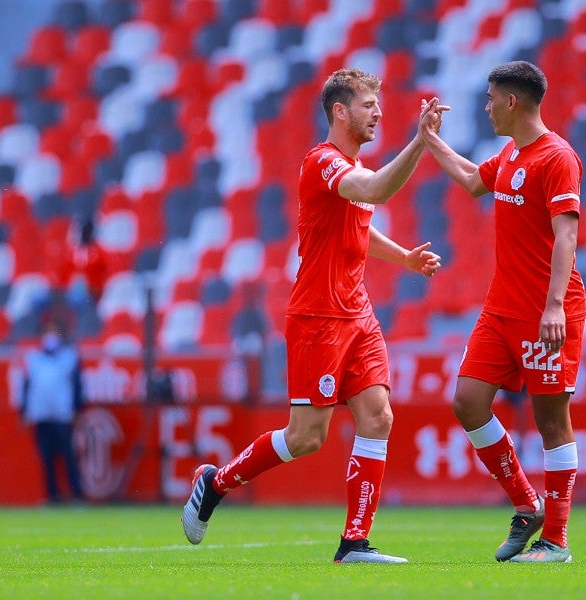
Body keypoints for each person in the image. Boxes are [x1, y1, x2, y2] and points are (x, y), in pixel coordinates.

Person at [182, 68, 443, 563]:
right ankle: (215, 483)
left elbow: (358, 229)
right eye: (368, 104)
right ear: (340, 111)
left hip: (358, 312)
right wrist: (420, 142)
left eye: (378, 104)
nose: (379, 112)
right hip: (318, 317)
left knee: (378, 415)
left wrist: (405, 257)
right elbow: (375, 193)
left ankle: (354, 543)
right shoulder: (323, 163)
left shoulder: (351, 167)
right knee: (307, 437)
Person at [418, 61, 584, 563]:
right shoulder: (512, 153)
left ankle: (555, 540)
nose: (486, 107)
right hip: (501, 308)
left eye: (491, 99)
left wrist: (553, 305)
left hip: (545, 310)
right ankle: (526, 504)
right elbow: (472, 180)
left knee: (552, 421)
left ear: (512, 101)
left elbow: (567, 235)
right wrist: (429, 140)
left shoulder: (557, 157)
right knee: (468, 401)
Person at [21, 321, 85, 504]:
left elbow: (77, 386)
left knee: (68, 456)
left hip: (63, 415)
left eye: (54, 333)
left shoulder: (70, 357)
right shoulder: (34, 359)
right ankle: (52, 495)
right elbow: (27, 386)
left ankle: (76, 494)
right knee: (46, 457)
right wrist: (24, 411)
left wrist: (76, 409)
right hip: (41, 414)